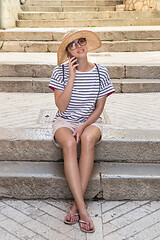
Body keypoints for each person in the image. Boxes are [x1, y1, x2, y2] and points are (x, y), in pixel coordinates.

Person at [49, 29, 115, 233]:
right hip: (64, 121)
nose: (78, 46)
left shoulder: (100, 72)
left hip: (91, 122)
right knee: (69, 143)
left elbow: (99, 109)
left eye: (81, 41)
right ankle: (83, 210)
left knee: (86, 139)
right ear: (68, 50)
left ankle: (76, 207)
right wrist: (71, 76)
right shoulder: (60, 71)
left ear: (86, 44)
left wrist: (84, 125)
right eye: (73, 44)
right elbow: (61, 107)